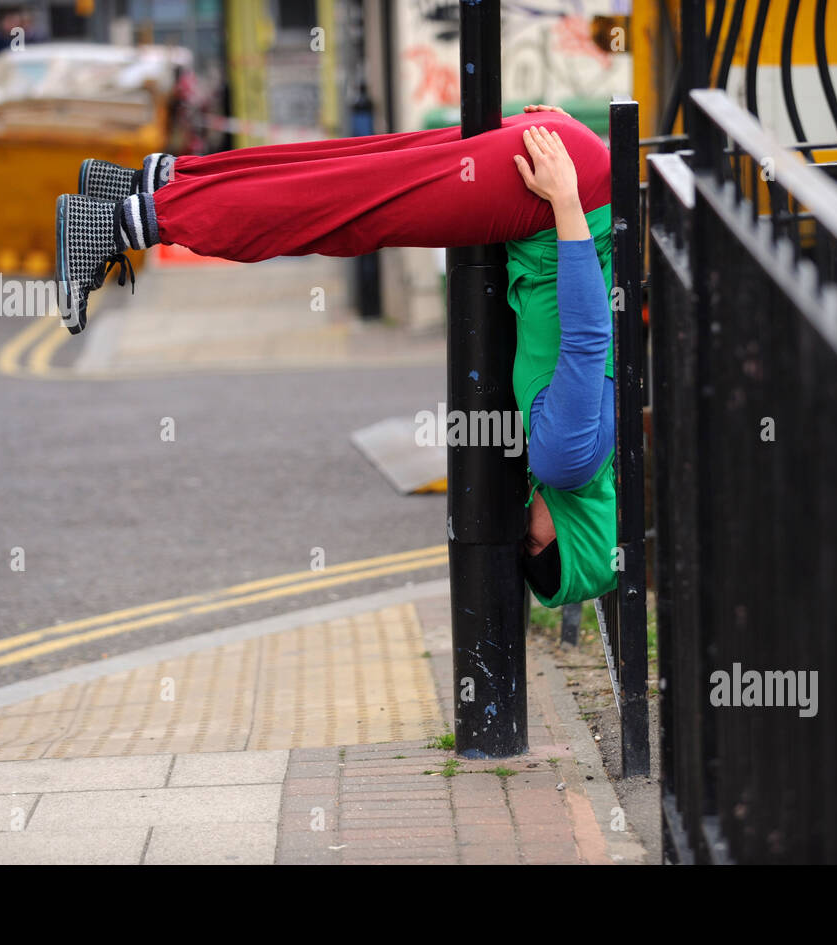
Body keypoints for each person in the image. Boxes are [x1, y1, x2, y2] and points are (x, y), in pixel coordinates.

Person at [54, 105, 618, 608]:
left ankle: (149, 183)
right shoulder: (564, 463)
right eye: (536, 540)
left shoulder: (587, 454)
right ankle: (124, 224)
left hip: (570, 179)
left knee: (350, 172)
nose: (523, 526)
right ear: (574, 537)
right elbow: (588, 333)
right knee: (340, 211)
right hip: (563, 198)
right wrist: (565, 199)